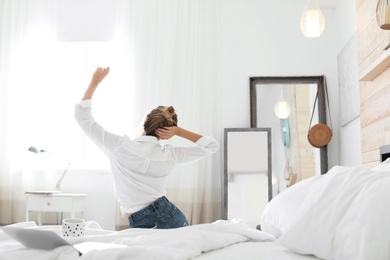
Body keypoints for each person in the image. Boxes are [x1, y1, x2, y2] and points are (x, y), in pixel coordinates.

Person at [74, 67, 219, 229]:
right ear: (167, 130)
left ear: (145, 122)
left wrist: (94, 83)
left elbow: (83, 117)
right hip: (172, 216)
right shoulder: (171, 154)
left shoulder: (119, 146)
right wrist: (178, 132)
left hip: (148, 219)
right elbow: (212, 146)